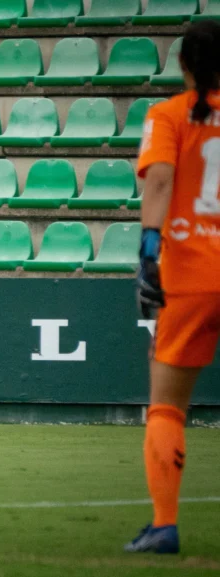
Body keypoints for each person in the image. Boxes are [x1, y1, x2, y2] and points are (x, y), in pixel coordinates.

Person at [126, 20, 220, 555]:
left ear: (183, 64)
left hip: (192, 272)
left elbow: (160, 180)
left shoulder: (168, 115)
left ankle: (164, 525)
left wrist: (148, 251)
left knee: (166, 407)